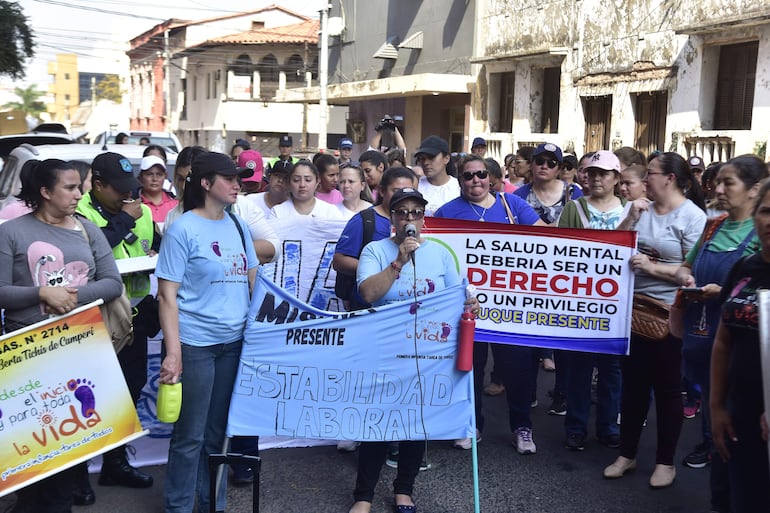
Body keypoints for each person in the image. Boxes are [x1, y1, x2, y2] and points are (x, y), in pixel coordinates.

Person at [0, 159, 123, 513]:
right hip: (26, 356)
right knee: (31, 451)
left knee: (69, 449)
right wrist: (40, 294)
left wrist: (68, 295)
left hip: (79, 348)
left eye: (78, 186)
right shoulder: (12, 231)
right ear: (45, 192)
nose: (79, 193)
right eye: (70, 187)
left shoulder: (86, 229)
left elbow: (111, 282)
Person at [349, 187, 475, 513]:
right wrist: (399, 262)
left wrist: (469, 302)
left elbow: (456, 297)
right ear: (392, 218)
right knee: (377, 425)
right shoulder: (376, 250)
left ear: (423, 218)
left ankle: (404, 489)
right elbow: (368, 293)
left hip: (426, 355)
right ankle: (363, 496)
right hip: (384, 353)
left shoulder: (441, 253)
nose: (409, 218)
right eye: (402, 212)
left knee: (415, 424)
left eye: (415, 212)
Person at [156, 152, 259, 513]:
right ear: (205, 183)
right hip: (196, 344)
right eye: (229, 178)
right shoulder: (183, 228)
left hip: (233, 344)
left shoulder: (237, 225)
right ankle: (179, 507)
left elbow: (252, 280)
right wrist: (174, 352)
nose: (237, 184)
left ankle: (212, 504)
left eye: (239, 179)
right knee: (190, 436)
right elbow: (167, 295)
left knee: (217, 435)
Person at [604, 152, 707, 488]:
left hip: (670, 315)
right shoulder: (639, 207)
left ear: (671, 178)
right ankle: (627, 453)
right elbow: (611, 250)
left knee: (666, 391)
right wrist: (630, 218)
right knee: (632, 389)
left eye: (651, 173)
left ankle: (665, 462)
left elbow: (693, 274)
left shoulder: (693, 218)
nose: (644, 179)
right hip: (632, 312)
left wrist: (651, 268)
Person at [673, 155, 766, 512]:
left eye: (729, 183)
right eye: (718, 181)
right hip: (707, 342)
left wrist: (722, 294)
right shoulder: (714, 227)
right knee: (721, 444)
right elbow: (687, 265)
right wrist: (687, 279)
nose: (717, 188)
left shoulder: (758, 243)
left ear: (754, 190)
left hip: (751, 368)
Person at [434, 154, 544, 452]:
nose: (476, 181)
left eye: (481, 174)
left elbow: (545, 239)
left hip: (508, 308)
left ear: (491, 177)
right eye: (468, 176)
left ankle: (522, 427)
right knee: (470, 367)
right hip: (466, 307)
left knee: (517, 368)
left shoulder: (513, 205)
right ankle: (471, 425)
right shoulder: (447, 212)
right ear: (460, 180)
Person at [76, 152, 159, 490]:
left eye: (131, 188)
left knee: (129, 391)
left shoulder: (144, 212)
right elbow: (91, 258)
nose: (129, 196)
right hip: (95, 318)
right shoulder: (79, 212)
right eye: (118, 189)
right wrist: (124, 220)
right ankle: (77, 475)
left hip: (134, 315)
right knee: (88, 395)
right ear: (97, 185)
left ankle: (115, 462)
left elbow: (155, 246)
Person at [557, 151, 630, 452]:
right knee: (580, 367)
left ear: (616, 178)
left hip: (618, 306)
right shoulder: (574, 209)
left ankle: (608, 426)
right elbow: (559, 251)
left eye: (605, 173)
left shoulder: (631, 210)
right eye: (593, 173)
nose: (597, 178)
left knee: (612, 369)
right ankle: (576, 427)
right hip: (582, 302)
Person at [710, 177, 770, 512]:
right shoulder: (744, 268)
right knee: (731, 496)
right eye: (766, 211)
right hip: (738, 414)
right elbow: (723, 339)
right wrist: (717, 407)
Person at [269, 159, 343, 220]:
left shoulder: (331, 212)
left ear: (317, 182)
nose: (302, 185)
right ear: (289, 183)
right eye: (296, 180)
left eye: (308, 180)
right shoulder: (277, 212)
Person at [414, 136, 460, 216]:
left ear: (446, 158)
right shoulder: (415, 185)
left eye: (431, 157)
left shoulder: (459, 187)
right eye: (422, 158)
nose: (426, 163)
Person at [138, 155, 178, 225]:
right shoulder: (134, 205)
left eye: (159, 174)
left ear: (165, 176)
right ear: (140, 177)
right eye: (149, 174)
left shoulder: (176, 204)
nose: (155, 179)